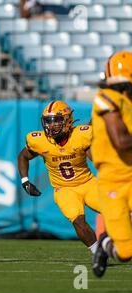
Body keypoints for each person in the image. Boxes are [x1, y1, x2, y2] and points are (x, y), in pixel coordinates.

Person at [18, 101, 100, 254]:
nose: (52, 125)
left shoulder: (81, 135)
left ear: (68, 120)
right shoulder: (39, 141)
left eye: (57, 120)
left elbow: (94, 157)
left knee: (119, 210)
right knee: (78, 220)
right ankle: (98, 253)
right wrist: (25, 181)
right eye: (48, 121)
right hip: (64, 189)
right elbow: (23, 156)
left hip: (88, 183)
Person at [91, 51, 132, 277]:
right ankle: (106, 244)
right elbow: (120, 140)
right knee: (125, 252)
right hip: (114, 181)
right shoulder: (105, 98)